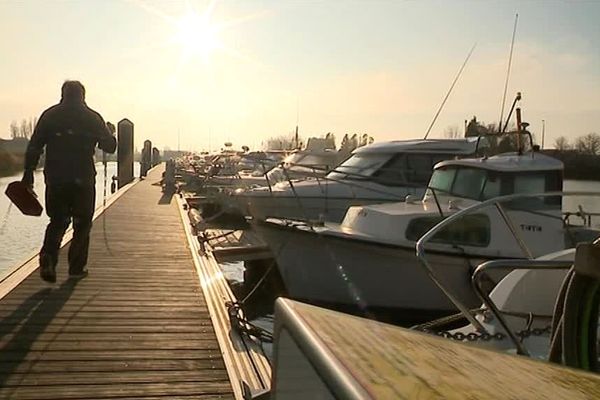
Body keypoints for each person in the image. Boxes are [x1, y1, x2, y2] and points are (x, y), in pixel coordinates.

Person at [22, 81, 117, 283]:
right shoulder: (92, 117)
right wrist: (110, 133)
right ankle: (76, 268)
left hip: (56, 177)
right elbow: (109, 147)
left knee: (57, 221)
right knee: (82, 223)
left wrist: (28, 174)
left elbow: (34, 146)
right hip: (83, 177)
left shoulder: (50, 115)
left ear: (63, 94)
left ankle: (48, 255)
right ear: (83, 95)